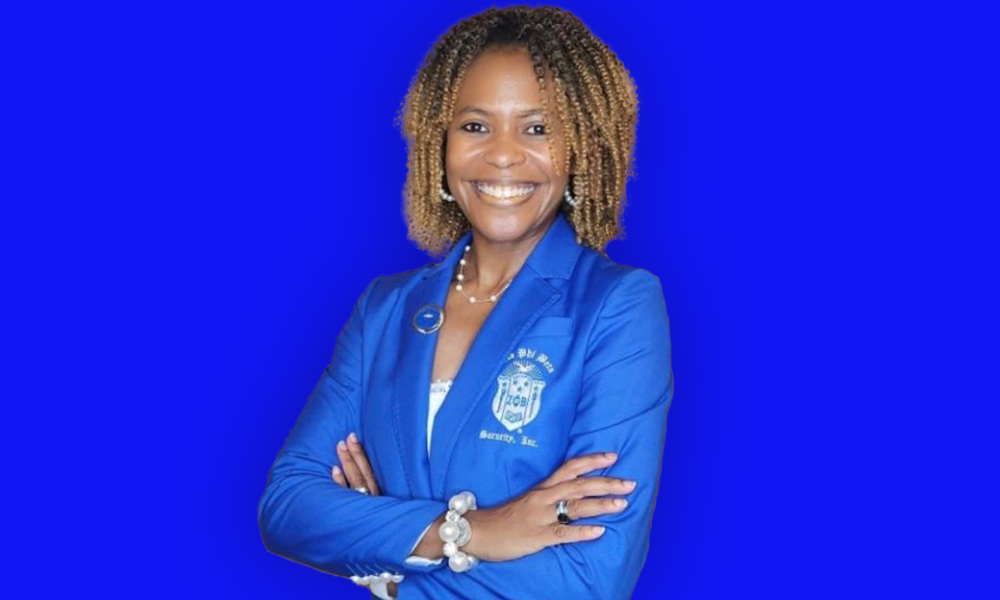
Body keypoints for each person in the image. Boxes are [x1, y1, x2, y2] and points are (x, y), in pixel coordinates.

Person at [258, 6, 673, 599]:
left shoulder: (618, 306)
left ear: (580, 146)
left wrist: (387, 567)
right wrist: (470, 531)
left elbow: (587, 578)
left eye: (538, 128)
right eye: (475, 126)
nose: (502, 155)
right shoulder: (385, 309)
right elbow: (287, 505)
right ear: (441, 144)